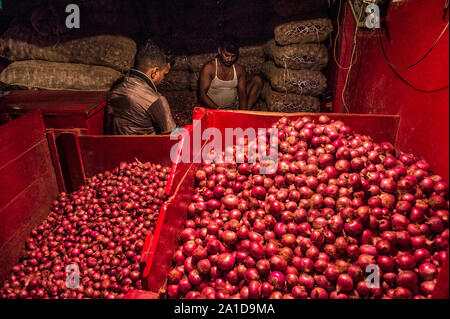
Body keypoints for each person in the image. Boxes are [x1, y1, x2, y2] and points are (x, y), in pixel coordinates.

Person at [105, 42, 177, 135]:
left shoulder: (116, 89)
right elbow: (171, 136)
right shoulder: (155, 100)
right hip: (144, 148)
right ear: (154, 72)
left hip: (116, 147)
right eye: (164, 74)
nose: (163, 79)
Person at [198, 39, 264, 110]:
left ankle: (245, 113)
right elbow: (202, 94)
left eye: (233, 56)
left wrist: (242, 114)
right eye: (226, 55)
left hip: (233, 106)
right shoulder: (209, 68)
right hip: (214, 109)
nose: (229, 59)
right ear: (219, 51)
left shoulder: (239, 70)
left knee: (258, 80)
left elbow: (242, 94)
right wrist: (219, 110)